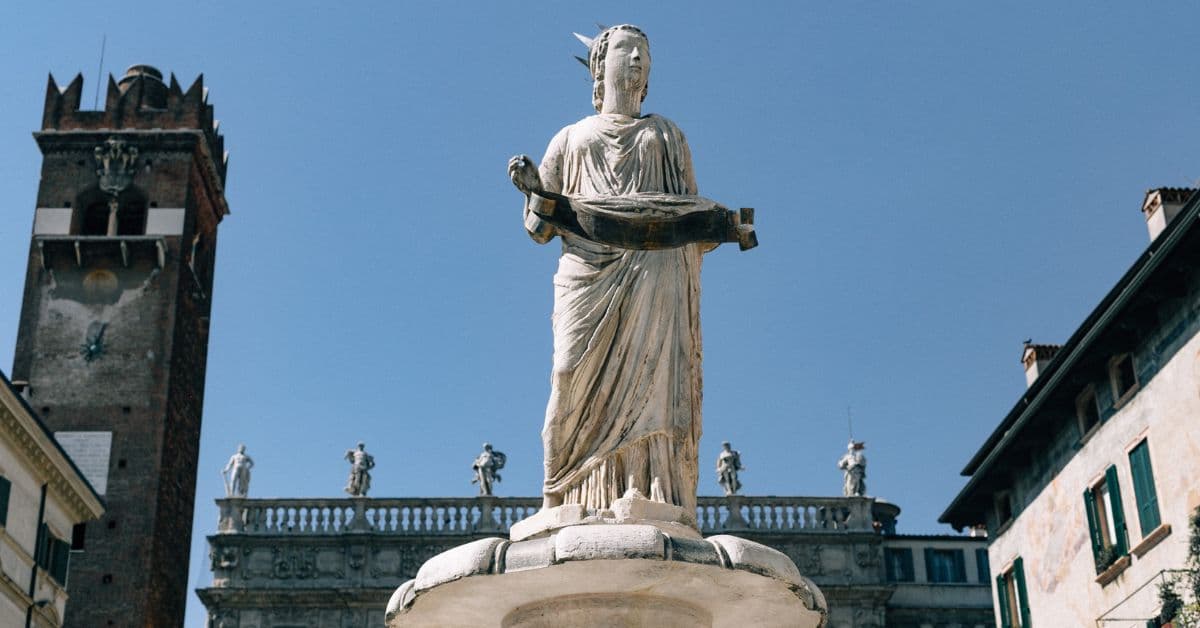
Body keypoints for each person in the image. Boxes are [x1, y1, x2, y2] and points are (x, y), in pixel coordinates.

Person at [509, 25, 708, 512]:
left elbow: (692, 221)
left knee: (654, 386)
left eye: (645, 53)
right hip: (587, 275)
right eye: (626, 49)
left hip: (655, 277)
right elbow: (539, 228)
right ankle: (561, 493)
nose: (638, 58)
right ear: (600, 66)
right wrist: (535, 190)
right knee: (568, 376)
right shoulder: (571, 138)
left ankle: (653, 490)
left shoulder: (666, 135)